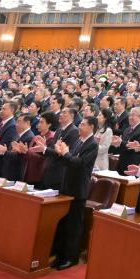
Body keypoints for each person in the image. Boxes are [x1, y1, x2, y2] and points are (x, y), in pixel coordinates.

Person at [50, 114, 99, 270]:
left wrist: (66, 154)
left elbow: (79, 163)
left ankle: (71, 258)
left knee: (74, 226)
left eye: (83, 124)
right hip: (67, 186)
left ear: (91, 127)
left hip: (78, 190)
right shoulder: (79, 140)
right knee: (63, 223)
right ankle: (60, 255)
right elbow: (68, 161)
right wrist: (60, 153)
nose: (80, 126)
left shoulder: (92, 144)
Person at [113, 107, 140, 175]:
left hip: (132, 164)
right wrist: (116, 143)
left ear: (139, 117)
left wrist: (120, 142)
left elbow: (134, 148)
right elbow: (122, 146)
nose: (130, 117)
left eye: (133, 115)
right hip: (121, 163)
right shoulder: (126, 130)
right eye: (130, 115)